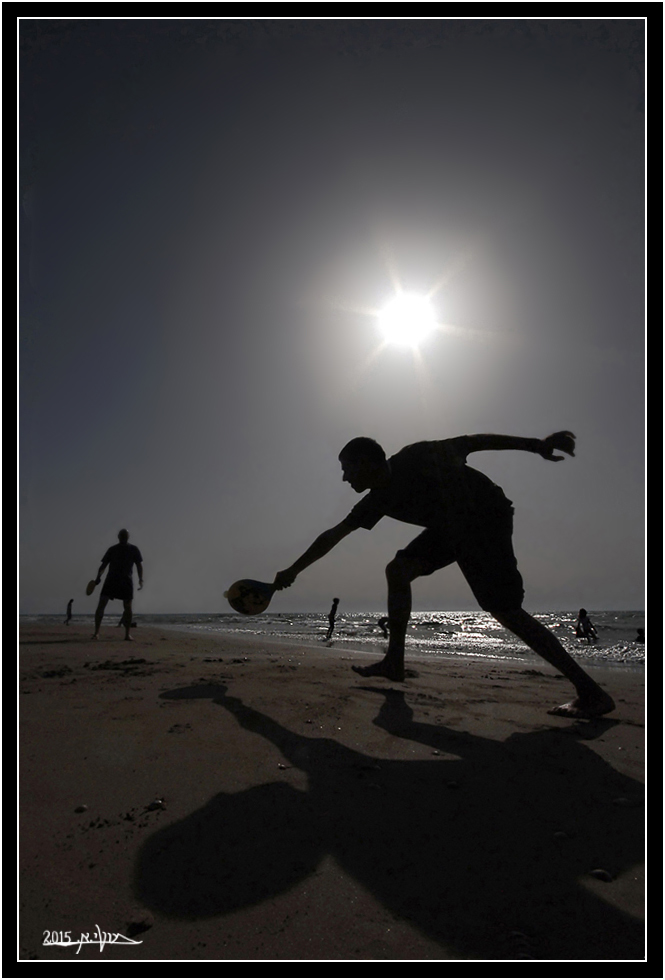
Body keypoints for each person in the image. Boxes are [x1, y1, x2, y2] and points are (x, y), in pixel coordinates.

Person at [273, 431, 615, 719]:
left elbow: (475, 442)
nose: (345, 478)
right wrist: (293, 571)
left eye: (347, 469)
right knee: (398, 571)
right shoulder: (376, 501)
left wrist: (535, 445)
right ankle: (394, 662)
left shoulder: (417, 457)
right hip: (450, 531)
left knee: (505, 610)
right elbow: (333, 535)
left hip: (485, 517)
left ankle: (591, 693)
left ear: (365, 462)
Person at [91, 529, 143, 640]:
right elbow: (103, 566)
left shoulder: (134, 549)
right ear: (118, 537)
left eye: (125, 535)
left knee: (127, 607)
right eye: (122, 535)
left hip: (126, 580)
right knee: (102, 604)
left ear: (128, 537)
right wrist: (98, 577)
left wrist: (141, 579)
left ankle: (127, 634)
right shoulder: (112, 549)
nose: (123, 537)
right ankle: (96, 633)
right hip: (111, 580)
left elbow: (139, 566)